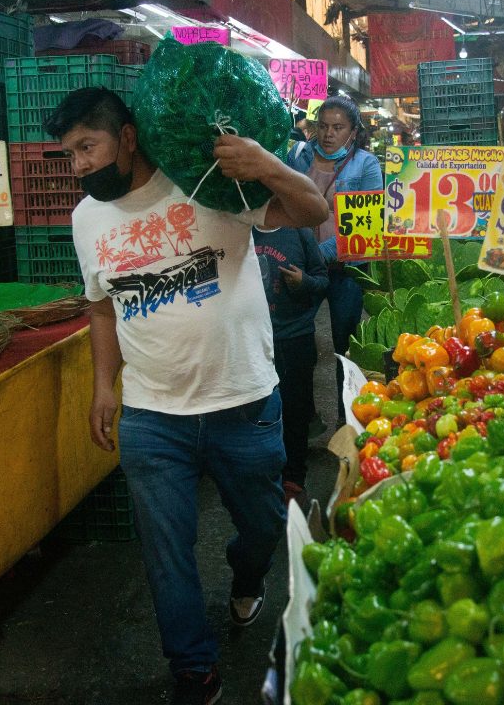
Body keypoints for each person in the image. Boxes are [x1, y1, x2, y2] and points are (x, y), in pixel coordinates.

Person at [45, 87, 327, 705]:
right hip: (152, 416)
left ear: (126, 137)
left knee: (262, 527)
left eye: (86, 147)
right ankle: (193, 670)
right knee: (165, 552)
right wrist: (103, 386)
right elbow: (99, 308)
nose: (78, 166)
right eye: (68, 155)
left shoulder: (206, 183)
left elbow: (313, 212)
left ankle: (246, 576)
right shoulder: (85, 220)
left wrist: (266, 165)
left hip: (244, 401)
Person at [286, 96, 383, 360]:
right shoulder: (297, 155)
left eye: (338, 128)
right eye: (324, 126)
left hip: (346, 271)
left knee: (346, 348)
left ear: (353, 132)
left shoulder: (366, 164)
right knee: (295, 340)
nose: (329, 134)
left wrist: (320, 253)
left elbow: (367, 223)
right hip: (303, 267)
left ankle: (348, 402)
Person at [253, 221, 328, 504]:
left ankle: (293, 481)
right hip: (254, 341)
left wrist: (303, 282)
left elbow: (322, 279)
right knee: (259, 411)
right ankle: (265, 480)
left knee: (296, 413)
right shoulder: (241, 228)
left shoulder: (300, 231)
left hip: (296, 338)